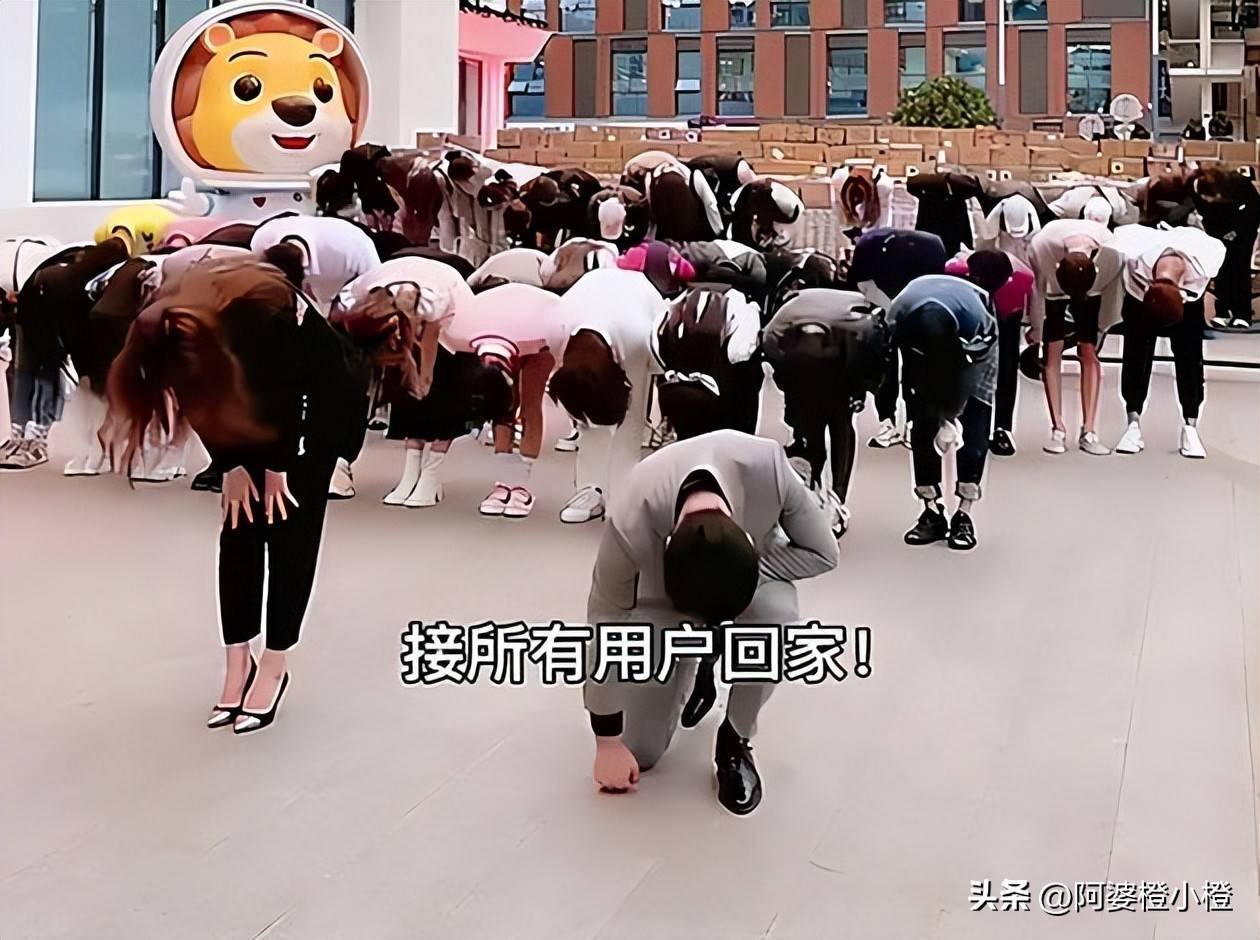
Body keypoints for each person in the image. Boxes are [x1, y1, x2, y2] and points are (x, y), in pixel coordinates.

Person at [102, 256, 370, 734]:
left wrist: (280, 464)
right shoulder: (173, 332)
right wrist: (230, 464)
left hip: (317, 409)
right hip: (251, 405)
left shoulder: (259, 313)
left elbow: (299, 388)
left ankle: (275, 663)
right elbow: (202, 402)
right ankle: (237, 662)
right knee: (239, 529)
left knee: (290, 533)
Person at [584, 429, 839, 815]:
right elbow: (604, 622)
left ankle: (735, 739)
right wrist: (606, 741)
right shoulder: (632, 515)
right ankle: (696, 661)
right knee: (640, 751)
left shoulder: (769, 468)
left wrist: (751, 569)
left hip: (748, 577)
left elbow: (824, 553)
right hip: (665, 597)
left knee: (776, 614)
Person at [249, 214, 380, 499]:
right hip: (298, 312)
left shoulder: (350, 246)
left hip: (351, 304)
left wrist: (340, 317)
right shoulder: (262, 240)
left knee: (349, 383)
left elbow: (374, 290)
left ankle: (341, 462)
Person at [334, 255, 476, 506]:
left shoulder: (436, 302)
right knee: (407, 392)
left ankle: (431, 474)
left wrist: (425, 379)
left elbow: (430, 342)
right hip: (401, 276)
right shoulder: (362, 295)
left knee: (443, 391)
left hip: (456, 314)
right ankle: (411, 472)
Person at [762, 288, 887, 536]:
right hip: (805, 373)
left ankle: (835, 498)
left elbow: (876, 359)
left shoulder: (861, 329)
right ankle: (813, 489)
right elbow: (772, 355)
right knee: (813, 431)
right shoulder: (779, 331)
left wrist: (860, 392)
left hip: (842, 373)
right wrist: (790, 392)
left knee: (838, 429)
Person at [887, 275, 998, 551]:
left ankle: (964, 513)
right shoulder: (897, 317)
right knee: (922, 421)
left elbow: (970, 373)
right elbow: (890, 363)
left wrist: (950, 416)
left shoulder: (977, 321)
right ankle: (932, 510)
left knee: (975, 419)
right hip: (920, 349)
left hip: (970, 347)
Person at [2, 238, 130, 471]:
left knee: (38, 367)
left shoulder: (55, 280)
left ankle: (32, 439)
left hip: (42, 288)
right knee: (31, 367)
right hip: (42, 283)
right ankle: (25, 437)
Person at [547, 268, 663, 524]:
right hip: (590, 298)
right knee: (586, 421)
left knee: (631, 419)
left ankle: (623, 493)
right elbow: (566, 374)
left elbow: (657, 365)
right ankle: (590, 489)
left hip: (639, 308)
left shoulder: (639, 334)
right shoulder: (556, 325)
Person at [442, 281, 567, 517]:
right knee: (503, 409)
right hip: (499, 327)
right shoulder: (464, 332)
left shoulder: (541, 330)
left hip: (541, 329)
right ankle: (504, 481)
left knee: (530, 404)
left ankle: (520, 486)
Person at [1108, 224, 1226, 458]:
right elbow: (1130, 287)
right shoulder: (1136, 262)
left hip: (1188, 300)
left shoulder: (1205, 260)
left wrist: (1182, 299)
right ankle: (1132, 423)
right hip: (1141, 298)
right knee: (1136, 353)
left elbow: (1200, 287)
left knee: (1190, 358)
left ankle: (1190, 425)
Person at [1027, 219, 1124, 455]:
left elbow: (1112, 292)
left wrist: (1102, 327)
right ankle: (1057, 428)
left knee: (1089, 352)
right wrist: (1036, 328)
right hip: (1054, 288)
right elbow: (1038, 288)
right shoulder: (1042, 245)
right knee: (1052, 352)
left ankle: (1089, 430)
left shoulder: (1111, 251)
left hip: (1093, 290)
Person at [847, 228, 948, 448]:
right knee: (885, 363)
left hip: (919, 304)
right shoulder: (867, 246)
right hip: (881, 301)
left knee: (918, 364)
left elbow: (936, 284)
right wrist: (884, 309)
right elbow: (860, 284)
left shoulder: (932, 247)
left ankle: (914, 422)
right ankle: (886, 421)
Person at [944, 249, 1035, 456]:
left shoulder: (1020, 280)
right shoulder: (955, 272)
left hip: (1008, 311)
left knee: (1007, 363)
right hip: (966, 307)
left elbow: (1034, 305)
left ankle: (1002, 428)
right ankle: (960, 419)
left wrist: (1036, 328)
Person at [649, 283, 762, 440]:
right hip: (721, 403)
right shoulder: (744, 308)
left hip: (675, 393)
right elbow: (739, 353)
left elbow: (656, 350)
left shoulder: (674, 305)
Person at [1192, 167, 1260, 330]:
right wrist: (1216, 235)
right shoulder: (1198, 188)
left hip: (1244, 228)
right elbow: (1205, 213)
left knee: (1239, 268)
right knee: (1220, 269)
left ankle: (1242, 314)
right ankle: (1223, 312)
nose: (1208, 200)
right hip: (1217, 229)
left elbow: (1253, 213)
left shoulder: (1241, 185)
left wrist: (1235, 232)